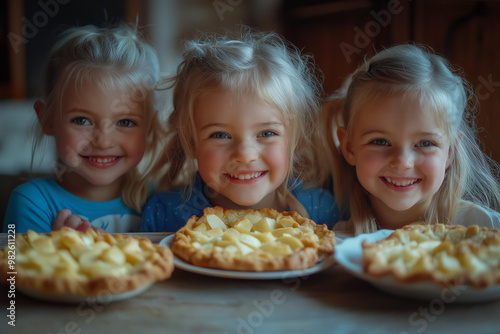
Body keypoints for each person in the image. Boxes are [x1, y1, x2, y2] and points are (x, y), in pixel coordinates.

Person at [141, 27, 339, 232]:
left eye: (267, 133)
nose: (245, 155)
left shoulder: (322, 210)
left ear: (295, 140)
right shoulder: (165, 214)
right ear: (191, 142)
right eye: (220, 135)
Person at [3, 24, 166, 233]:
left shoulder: (161, 200)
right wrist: (53, 255)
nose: (104, 141)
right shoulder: (30, 202)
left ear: (151, 127)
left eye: (125, 122)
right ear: (47, 119)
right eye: (82, 120)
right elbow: (12, 266)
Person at [324, 43, 500, 235]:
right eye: (380, 141)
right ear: (349, 147)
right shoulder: (334, 242)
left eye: (425, 143)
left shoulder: (486, 230)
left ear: (450, 151)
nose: (403, 162)